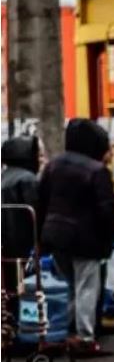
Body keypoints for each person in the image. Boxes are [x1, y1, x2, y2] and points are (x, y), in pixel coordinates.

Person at [38, 119, 114, 356]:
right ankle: (84, 338)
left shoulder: (53, 166)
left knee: (67, 287)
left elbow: (41, 202)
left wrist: (42, 236)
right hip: (86, 238)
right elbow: (106, 210)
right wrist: (109, 238)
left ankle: (60, 334)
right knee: (86, 287)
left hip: (56, 236)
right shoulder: (97, 170)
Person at [2, 136, 40, 329]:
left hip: (6, 243)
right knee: (24, 287)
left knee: (8, 289)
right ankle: (25, 327)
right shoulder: (28, 179)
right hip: (22, 242)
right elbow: (37, 209)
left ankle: (9, 326)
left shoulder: (3, 177)